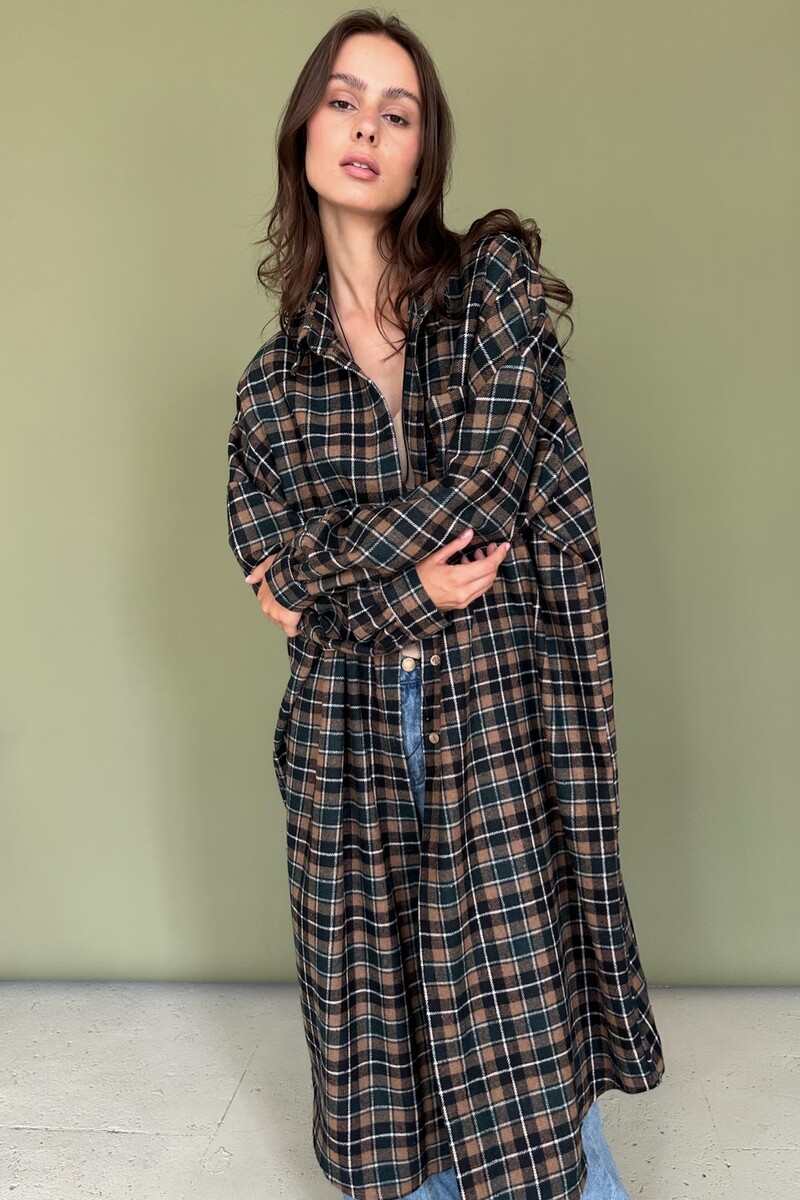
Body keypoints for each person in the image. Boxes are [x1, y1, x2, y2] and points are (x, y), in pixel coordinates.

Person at [226, 11, 665, 1200]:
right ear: (304, 128)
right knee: (387, 1047)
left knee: (525, 1054)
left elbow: (480, 492)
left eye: (398, 111)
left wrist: (325, 579)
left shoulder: (490, 292)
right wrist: (400, 590)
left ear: (424, 152)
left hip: (495, 706)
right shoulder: (271, 389)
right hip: (345, 739)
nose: (367, 125)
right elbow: (272, 577)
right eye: (342, 99)